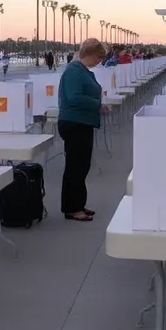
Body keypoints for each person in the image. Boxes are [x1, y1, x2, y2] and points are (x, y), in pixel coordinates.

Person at [56, 39, 106, 222]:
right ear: (90, 54)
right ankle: (72, 208)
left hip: (81, 122)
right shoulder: (73, 71)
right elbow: (74, 97)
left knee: (81, 166)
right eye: (99, 57)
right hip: (74, 123)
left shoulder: (81, 71)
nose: (100, 61)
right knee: (75, 167)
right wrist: (97, 104)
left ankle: (77, 204)